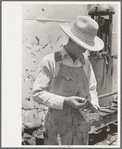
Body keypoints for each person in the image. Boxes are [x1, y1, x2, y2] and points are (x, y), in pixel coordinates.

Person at [32, 16, 104, 145]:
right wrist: (65, 101)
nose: (84, 50)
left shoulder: (86, 64)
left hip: (81, 130)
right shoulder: (50, 61)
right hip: (57, 130)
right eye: (82, 45)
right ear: (71, 39)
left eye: (87, 46)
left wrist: (93, 106)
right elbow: (37, 94)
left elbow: (92, 89)